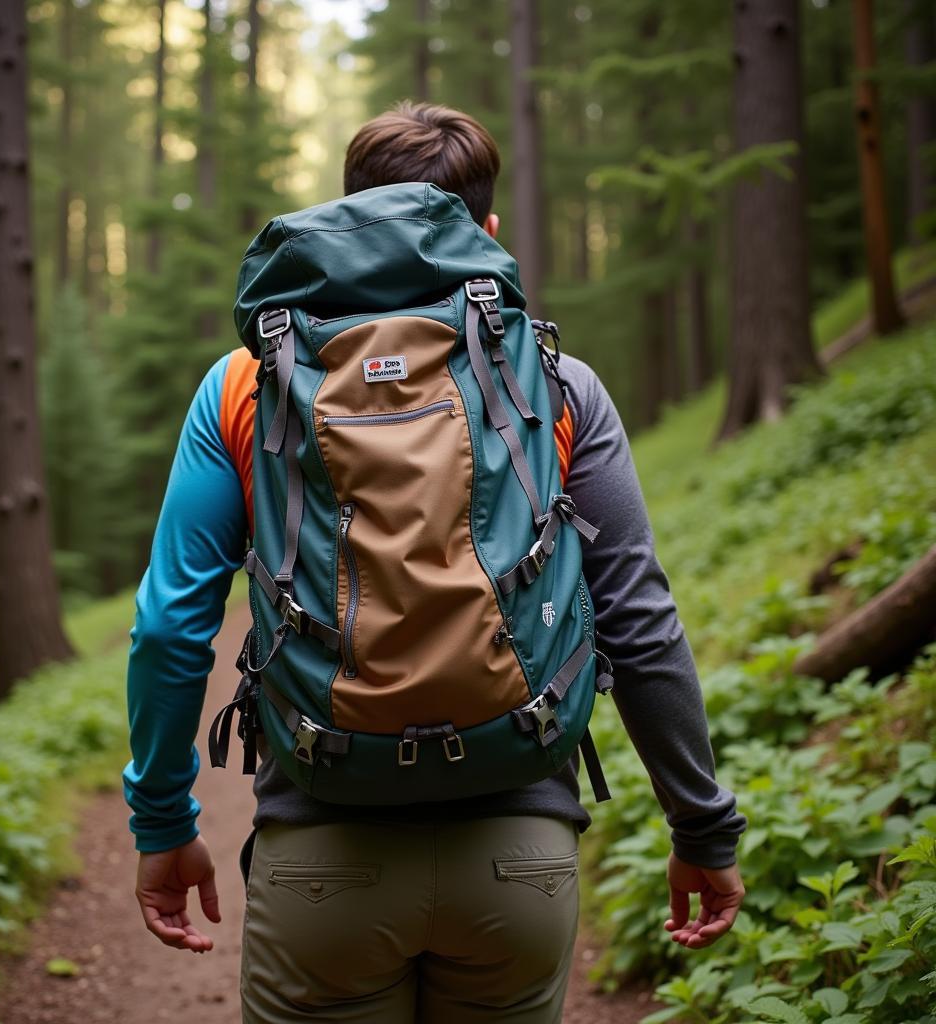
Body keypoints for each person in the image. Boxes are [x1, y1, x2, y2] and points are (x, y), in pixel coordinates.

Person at [123, 102, 747, 1023]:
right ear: (485, 230)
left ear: (350, 217)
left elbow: (173, 624)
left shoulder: (246, 383)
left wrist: (164, 823)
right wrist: (700, 824)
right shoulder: (555, 380)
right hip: (520, 854)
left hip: (322, 860)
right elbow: (638, 621)